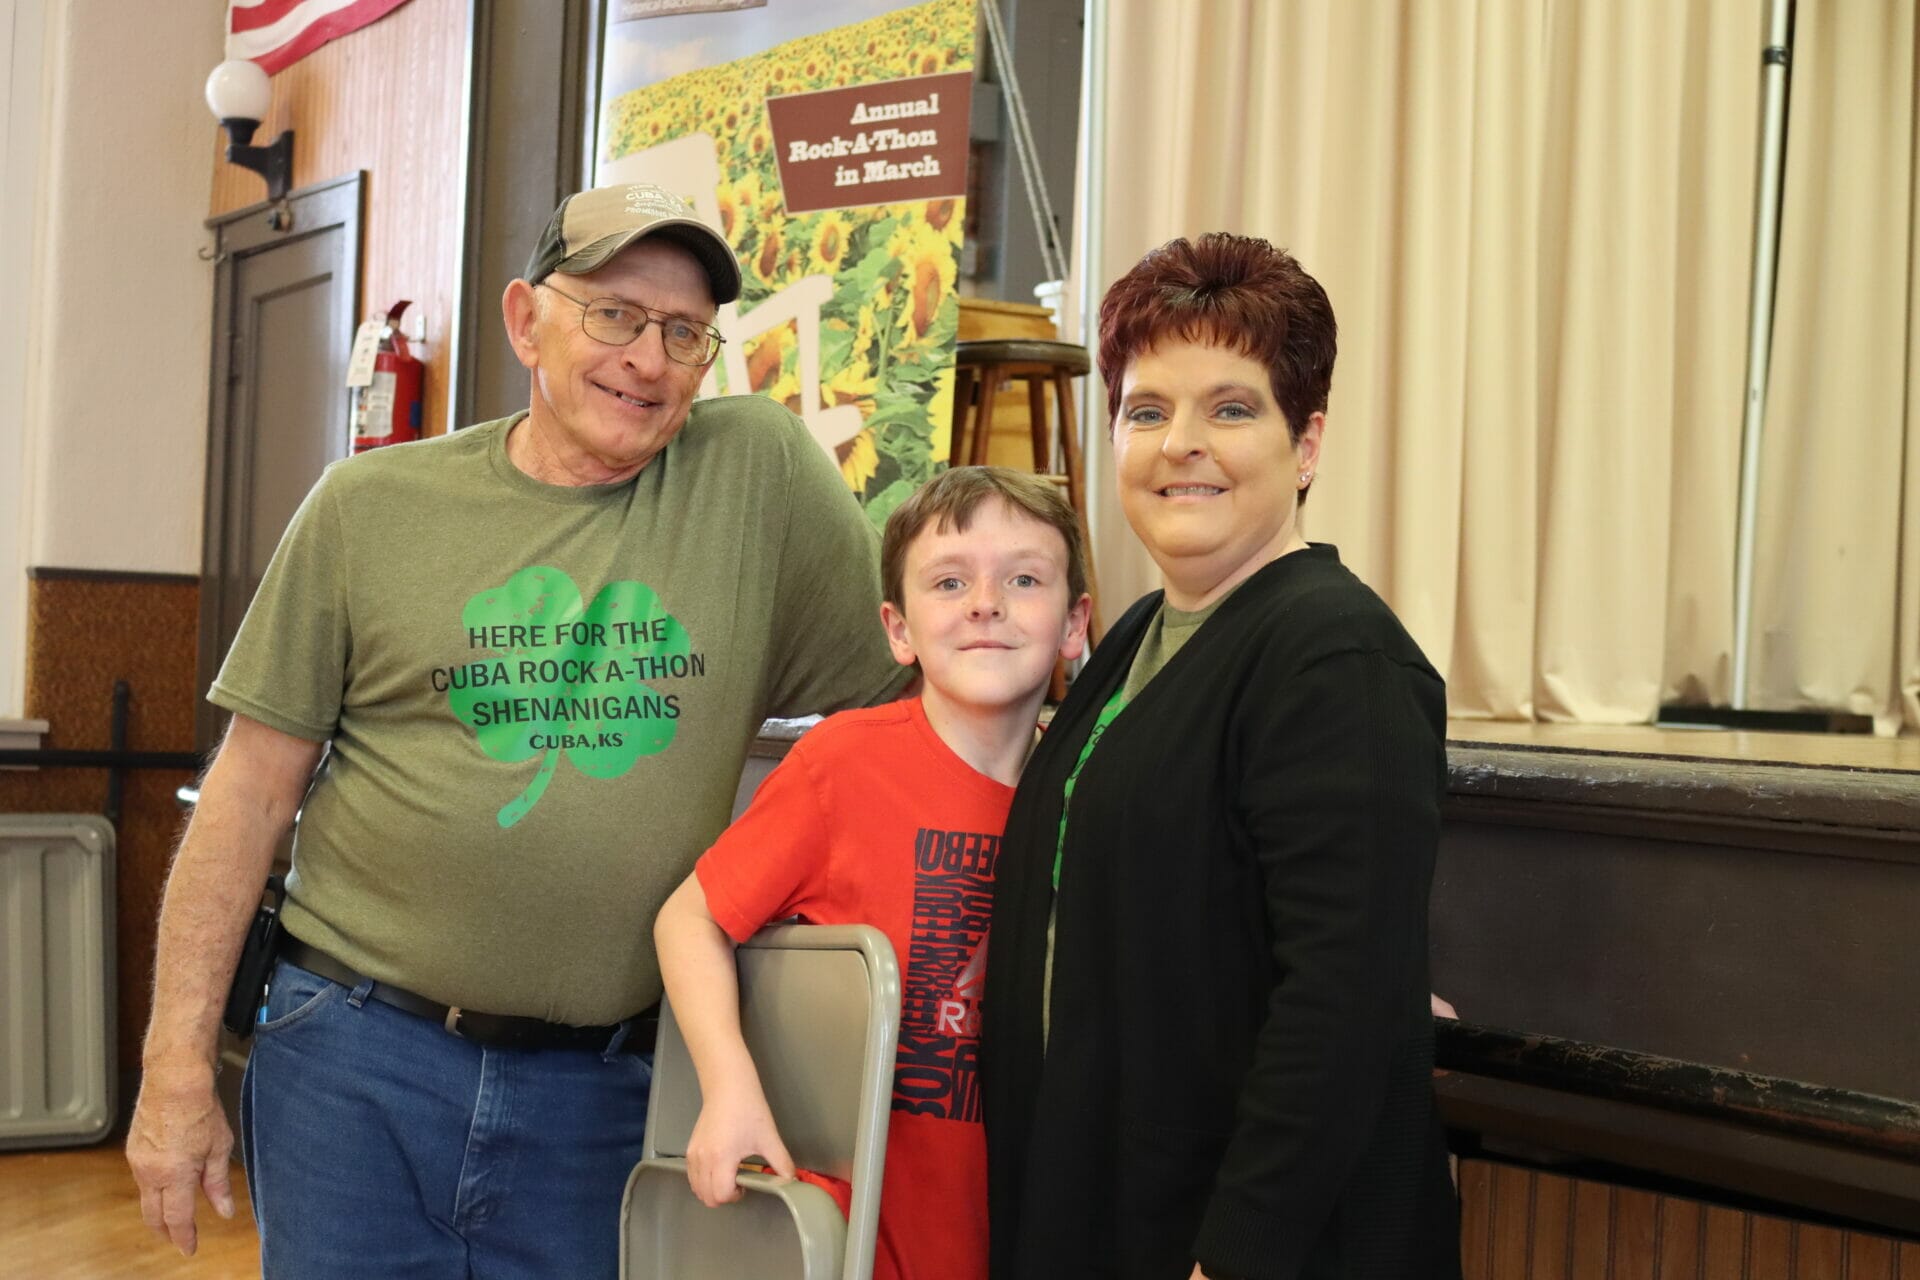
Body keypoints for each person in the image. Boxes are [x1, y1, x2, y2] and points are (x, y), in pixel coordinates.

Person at [125, 182, 910, 1277]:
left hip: (604, 1094)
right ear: (523, 320)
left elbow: (910, 693)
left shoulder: (759, 482)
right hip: (353, 1062)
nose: (648, 357)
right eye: (615, 314)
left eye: (685, 332)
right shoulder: (368, 508)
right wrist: (174, 1069)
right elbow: (249, 792)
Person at [980, 233, 1463, 1279]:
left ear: (1309, 442)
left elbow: (1339, 1013)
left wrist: (1232, 1261)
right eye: (1147, 410)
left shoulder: (1335, 657)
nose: (1179, 443)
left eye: (1231, 408)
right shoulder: (1136, 638)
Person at [654, 466, 1093, 1280]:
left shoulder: (1092, 795)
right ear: (898, 629)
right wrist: (730, 1086)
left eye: (1024, 579)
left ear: (1074, 624)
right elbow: (690, 921)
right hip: (863, 1249)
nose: (985, 603)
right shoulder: (843, 764)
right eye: (950, 581)